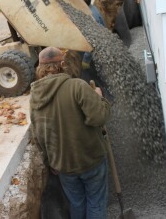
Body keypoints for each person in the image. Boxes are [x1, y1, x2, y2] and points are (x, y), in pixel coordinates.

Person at [30, 47, 111, 219]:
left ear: (40, 68)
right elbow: (99, 118)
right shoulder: (77, 86)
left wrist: (51, 161)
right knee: (95, 203)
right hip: (91, 159)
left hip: (63, 165)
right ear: (62, 64)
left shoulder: (35, 97)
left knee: (77, 203)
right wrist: (98, 97)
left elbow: (39, 135)